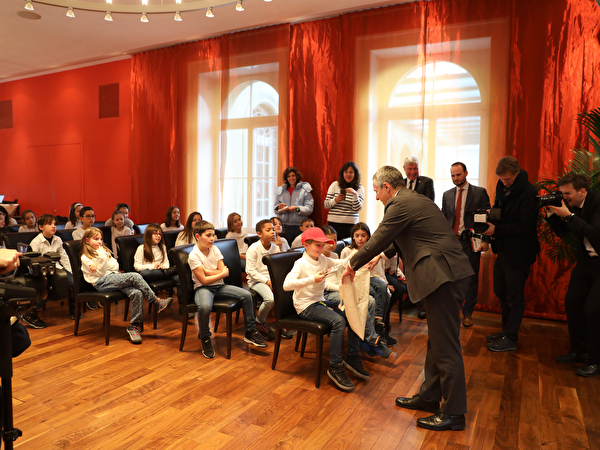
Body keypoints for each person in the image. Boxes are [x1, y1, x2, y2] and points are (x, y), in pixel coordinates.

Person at [341, 165, 473, 431]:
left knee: (445, 345)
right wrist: (381, 254)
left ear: (387, 187)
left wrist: (352, 263)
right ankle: (429, 397)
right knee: (437, 340)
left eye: (377, 190)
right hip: (446, 273)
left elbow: (379, 236)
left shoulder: (398, 205)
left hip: (442, 275)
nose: (376, 197)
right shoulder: (415, 199)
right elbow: (402, 236)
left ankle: (454, 412)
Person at [283, 227, 370, 391]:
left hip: (319, 301)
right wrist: (311, 279)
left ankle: (352, 356)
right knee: (338, 321)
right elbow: (286, 285)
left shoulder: (322, 259)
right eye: (318, 245)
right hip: (305, 306)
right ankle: (335, 367)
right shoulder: (300, 264)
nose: (322, 249)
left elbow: (341, 263)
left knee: (352, 311)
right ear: (306, 245)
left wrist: (361, 259)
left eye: (323, 245)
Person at [545, 173, 600, 377]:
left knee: (593, 310)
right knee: (573, 303)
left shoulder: (597, 203)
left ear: (582, 191)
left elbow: (594, 233)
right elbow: (563, 232)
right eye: (562, 193)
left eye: (567, 193)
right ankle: (579, 351)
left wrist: (568, 215)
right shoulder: (575, 205)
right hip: (586, 262)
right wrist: (552, 214)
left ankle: (595, 360)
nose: (564, 197)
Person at [482, 156, 539, 352]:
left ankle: (511, 337)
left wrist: (496, 230)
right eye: (501, 179)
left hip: (520, 252)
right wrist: (491, 220)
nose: (504, 183)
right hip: (504, 248)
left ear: (517, 172)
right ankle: (506, 330)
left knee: (515, 297)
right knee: (501, 291)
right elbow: (499, 206)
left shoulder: (529, 192)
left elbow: (525, 226)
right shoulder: (501, 185)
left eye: (507, 179)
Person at [187, 220, 267, 359]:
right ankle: (205, 338)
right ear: (197, 236)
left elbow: (224, 271)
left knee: (247, 295)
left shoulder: (215, 249)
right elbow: (205, 280)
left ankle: (250, 332)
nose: (212, 238)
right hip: (203, 288)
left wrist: (208, 271)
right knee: (205, 307)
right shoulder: (193, 255)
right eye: (208, 235)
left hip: (220, 286)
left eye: (213, 235)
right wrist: (220, 273)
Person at [80, 227, 172, 344]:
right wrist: (102, 258)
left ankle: (134, 327)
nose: (99, 242)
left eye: (101, 239)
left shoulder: (103, 251)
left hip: (113, 277)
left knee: (136, 293)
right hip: (101, 283)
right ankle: (155, 302)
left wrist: (100, 260)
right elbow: (101, 273)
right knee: (135, 276)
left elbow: (115, 265)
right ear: (87, 241)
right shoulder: (86, 257)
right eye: (96, 239)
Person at [321, 225, 391, 359]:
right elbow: (325, 285)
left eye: (334, 241)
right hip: (329, 293)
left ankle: (365, 340)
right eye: (327, 242)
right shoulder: (319, 259)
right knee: (357, 302)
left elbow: (344, 267)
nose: (332, 245)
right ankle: (373, 341)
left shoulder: (334, 255)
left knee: (370, 300)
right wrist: (344, 288)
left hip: (341, 288)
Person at [441, 162, 491, 327]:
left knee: (470, 279)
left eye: (458, 175)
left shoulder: (479, 193)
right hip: (451, 243)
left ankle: (468, 313)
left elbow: (486, 219)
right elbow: (444, 219)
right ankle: (452, 311)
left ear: (466, 173)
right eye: (453, 175)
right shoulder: (447, 195)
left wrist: (485, 241)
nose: (455, 178)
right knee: (451, 279)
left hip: (470, 242)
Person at [341, 222, 396, 346]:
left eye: (363, 235)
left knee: (384, 291)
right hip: (356, 281)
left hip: (371, 279)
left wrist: (386, 284)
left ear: (368, 237)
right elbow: (342, 269)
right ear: (353, 237)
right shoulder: (347, 251)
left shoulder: (374, 251)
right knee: (379, 295)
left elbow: (379, 272)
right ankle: (379, 331)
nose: (360, 238)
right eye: (357, 235)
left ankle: (379, 324)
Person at [22, 214, 76, 326]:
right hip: (41, 271)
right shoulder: (36, 242)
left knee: (74, 282)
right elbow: (31, 261)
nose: (53, 226)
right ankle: (30, 312)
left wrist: (71, 272)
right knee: (50, 286)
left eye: (55, 224)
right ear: (41, 227)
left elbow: (64, 258)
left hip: (56, 268)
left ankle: (74, 309)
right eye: (49, 224)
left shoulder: (58, 239)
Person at [245, 219, 293, 341]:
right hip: (257, 281)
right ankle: (259, 322)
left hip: (272, 280)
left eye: (273, 229)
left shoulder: (275, 248)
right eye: (268, 230)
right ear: (259, 234)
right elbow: (250, 271)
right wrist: (267, 281)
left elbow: (280, 267)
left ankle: (279, 322)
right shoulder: (253, 248)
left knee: (288, 293)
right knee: (270, 299)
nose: (273, 232)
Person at [324, 161, 365, 240]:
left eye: (351, 172)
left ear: (355, 174)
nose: (348, 174)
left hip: (350, 225)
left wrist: (355, 194)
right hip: (333, 224)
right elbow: (326, 205)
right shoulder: (335, 185)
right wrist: (335, 200)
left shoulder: (360, 189)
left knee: (349, 249)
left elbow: (357, 209)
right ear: (342, 173)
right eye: (346, 172)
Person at [274, 166, 314, 243]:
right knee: (285, 249)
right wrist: (279, 207)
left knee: (298, 249)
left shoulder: (304, 190)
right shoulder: (280, 190)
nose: (291, 178)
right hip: (284, 226)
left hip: (299, 226)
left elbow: (310, 208)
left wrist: (297, 208)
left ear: (297, 176)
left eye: (293, 175)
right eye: (288, 176)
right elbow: (275, 209)